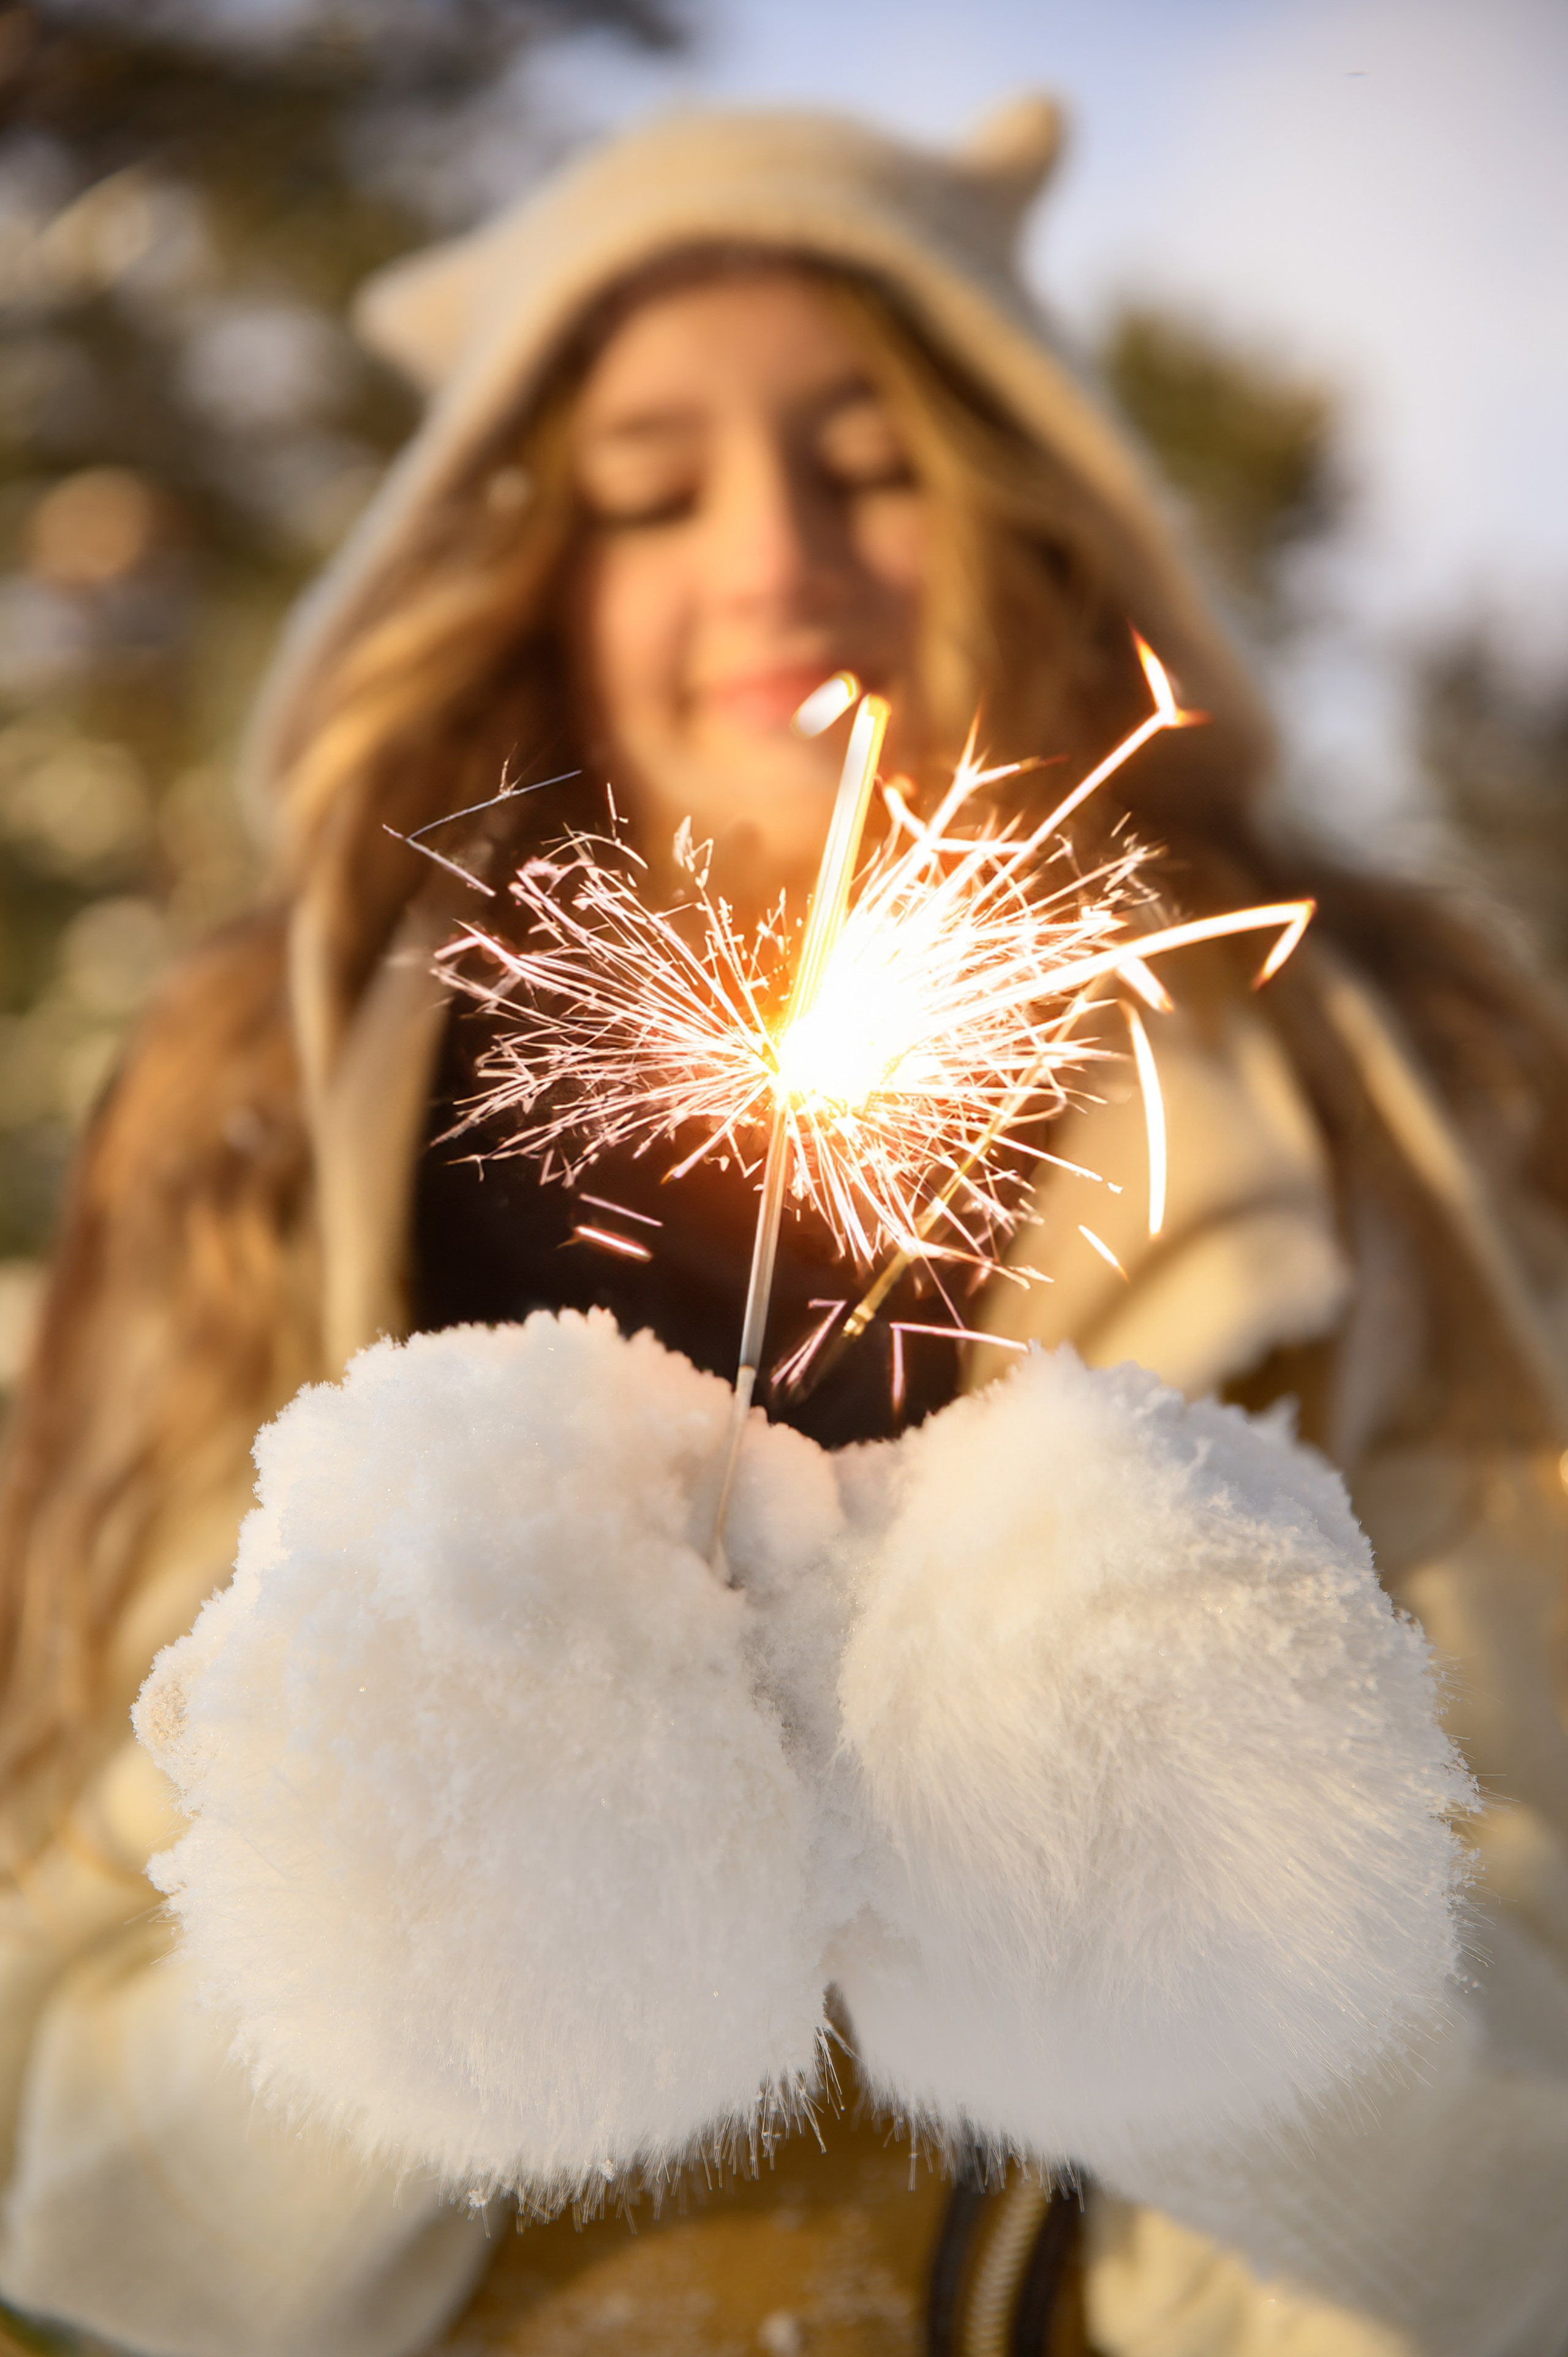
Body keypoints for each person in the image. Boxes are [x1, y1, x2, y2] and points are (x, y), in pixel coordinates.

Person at [0, 91, 1564, 2357]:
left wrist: (1219, 1937)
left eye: (869, 460)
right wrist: (419, 1931)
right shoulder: (271, 1135)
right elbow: (60, 2164)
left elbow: (1525, 2186)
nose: (771, 563)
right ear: (524, 557)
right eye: (650, 488)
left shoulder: (1373, 1112)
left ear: (1029, 498)